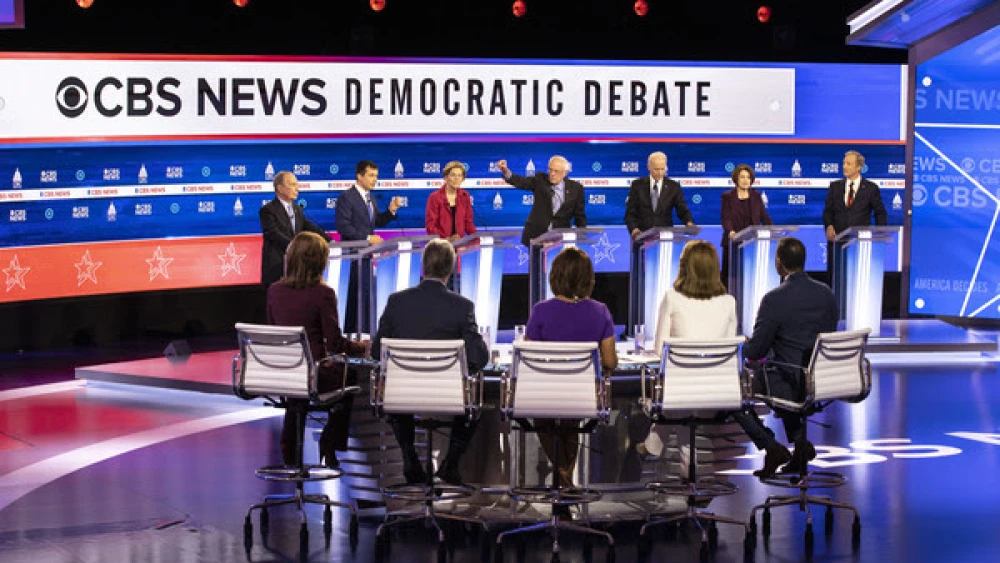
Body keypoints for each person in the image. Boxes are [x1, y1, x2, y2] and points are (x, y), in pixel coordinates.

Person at [371, 239, 489, 486]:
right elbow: (478, 357)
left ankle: (409, 455)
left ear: (423, 267)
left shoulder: (396, 302)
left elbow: (375, 352)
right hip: (449, 396)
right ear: (450, 270)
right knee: (478, 396)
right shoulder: (462, 306)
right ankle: (451, 463)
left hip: (400, 395)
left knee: (398, 391)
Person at [732, 237, 838, 479]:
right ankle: (800, 446)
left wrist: (744, 345)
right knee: (786, 375)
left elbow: (755, 352)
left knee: (735, 391)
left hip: (788, 378)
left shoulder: (774, 299)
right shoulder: (826, 294)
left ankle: (772, 447)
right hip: (821, 378)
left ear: (778, 263)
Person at [266, 232, 368, 469]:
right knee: (351, 376)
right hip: (315, 373)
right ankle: (330, 441)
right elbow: (335, 344)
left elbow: (274, 333)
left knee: (296, 396)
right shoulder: (323, 293)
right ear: (320, 261)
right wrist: (361, 347)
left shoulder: (274, 290)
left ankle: (291, 456)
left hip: (283, 372)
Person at [524, 247, 618, 494]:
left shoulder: (540, 310)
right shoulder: (601, 311)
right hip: (584, 398)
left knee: (544, 416)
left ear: (555, 276)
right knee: (571, 421)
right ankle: (565, 482)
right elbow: (610, 361)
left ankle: (562, 477)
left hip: (545, 397)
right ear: (588, 278)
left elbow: (527, 358)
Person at [641, 241, 737, 461]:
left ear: (684, 267)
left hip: (678, 392)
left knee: (678, 396)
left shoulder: (671, 298)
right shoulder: (729, 302)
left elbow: (659, 352)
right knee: (685, 394)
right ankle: (680, 464)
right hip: (719, 392)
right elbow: (729, 353)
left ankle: (659, 448)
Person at [335, 160, 403, 334]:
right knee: (353, 298)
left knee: (365, 296)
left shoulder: (371, 197)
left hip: (367, 256)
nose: (375, 180)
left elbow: (376, 221)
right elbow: (343, 227)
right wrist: (367, 238)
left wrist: (391, 211)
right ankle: (350, 333)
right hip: (352, 257)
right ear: (359, 176)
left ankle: (365, 332)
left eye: (376, 176)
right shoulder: (346, 197)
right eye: (371, 175)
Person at [822, 150, 887, 288]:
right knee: (836, 281)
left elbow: (880, 212)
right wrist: (829, 226)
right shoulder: (835, 187)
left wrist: (880, 233)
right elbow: (828, 211)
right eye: (844, 163)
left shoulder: (870, 188)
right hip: (837, 242)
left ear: (859, 167)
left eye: (849, 164)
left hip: (860, 243)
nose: (844, 166)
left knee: (858, 281)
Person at [259, 171, 331, 288]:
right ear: (280, 188)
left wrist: (329, 240)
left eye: (297, 185)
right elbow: (272, 232)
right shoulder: (268, 210)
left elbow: (308, 226)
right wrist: (295, 247)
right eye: (292, 185)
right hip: (277, 267)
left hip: (296, 268)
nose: (297, 189)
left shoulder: (297, 209)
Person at [496, 155, 586, 248]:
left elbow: (579, 215)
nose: (552, 174)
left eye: (556, 171)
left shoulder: (576, 188)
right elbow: (521, 182)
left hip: (559, 239)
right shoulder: (540, 180)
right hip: (536, 236)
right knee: (536, 262)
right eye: (550, 170)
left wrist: (581, 237)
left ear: (565, 172)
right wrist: (505, 171)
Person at [720, 163, 773, 287]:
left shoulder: (756, 196)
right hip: (733, 243)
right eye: (742, 177)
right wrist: (731, 231)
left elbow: (764, 216)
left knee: (749, 279)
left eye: (748, 177)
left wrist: (772, 229)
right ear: (736, 179)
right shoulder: (727, 197)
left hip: (751, 244)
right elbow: (726, 218)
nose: (745, 180)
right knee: (731, 281)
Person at [425, 161, 476, 241]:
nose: (457, 178)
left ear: (462, 179)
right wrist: (447, 240)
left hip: (458, 244)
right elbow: (431, 226)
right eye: (453, 175)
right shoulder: (435, 197)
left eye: (460, 175)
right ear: (446, 177)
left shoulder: (464, 196)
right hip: (439, 245)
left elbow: (468, 223)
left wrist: (477, 237)